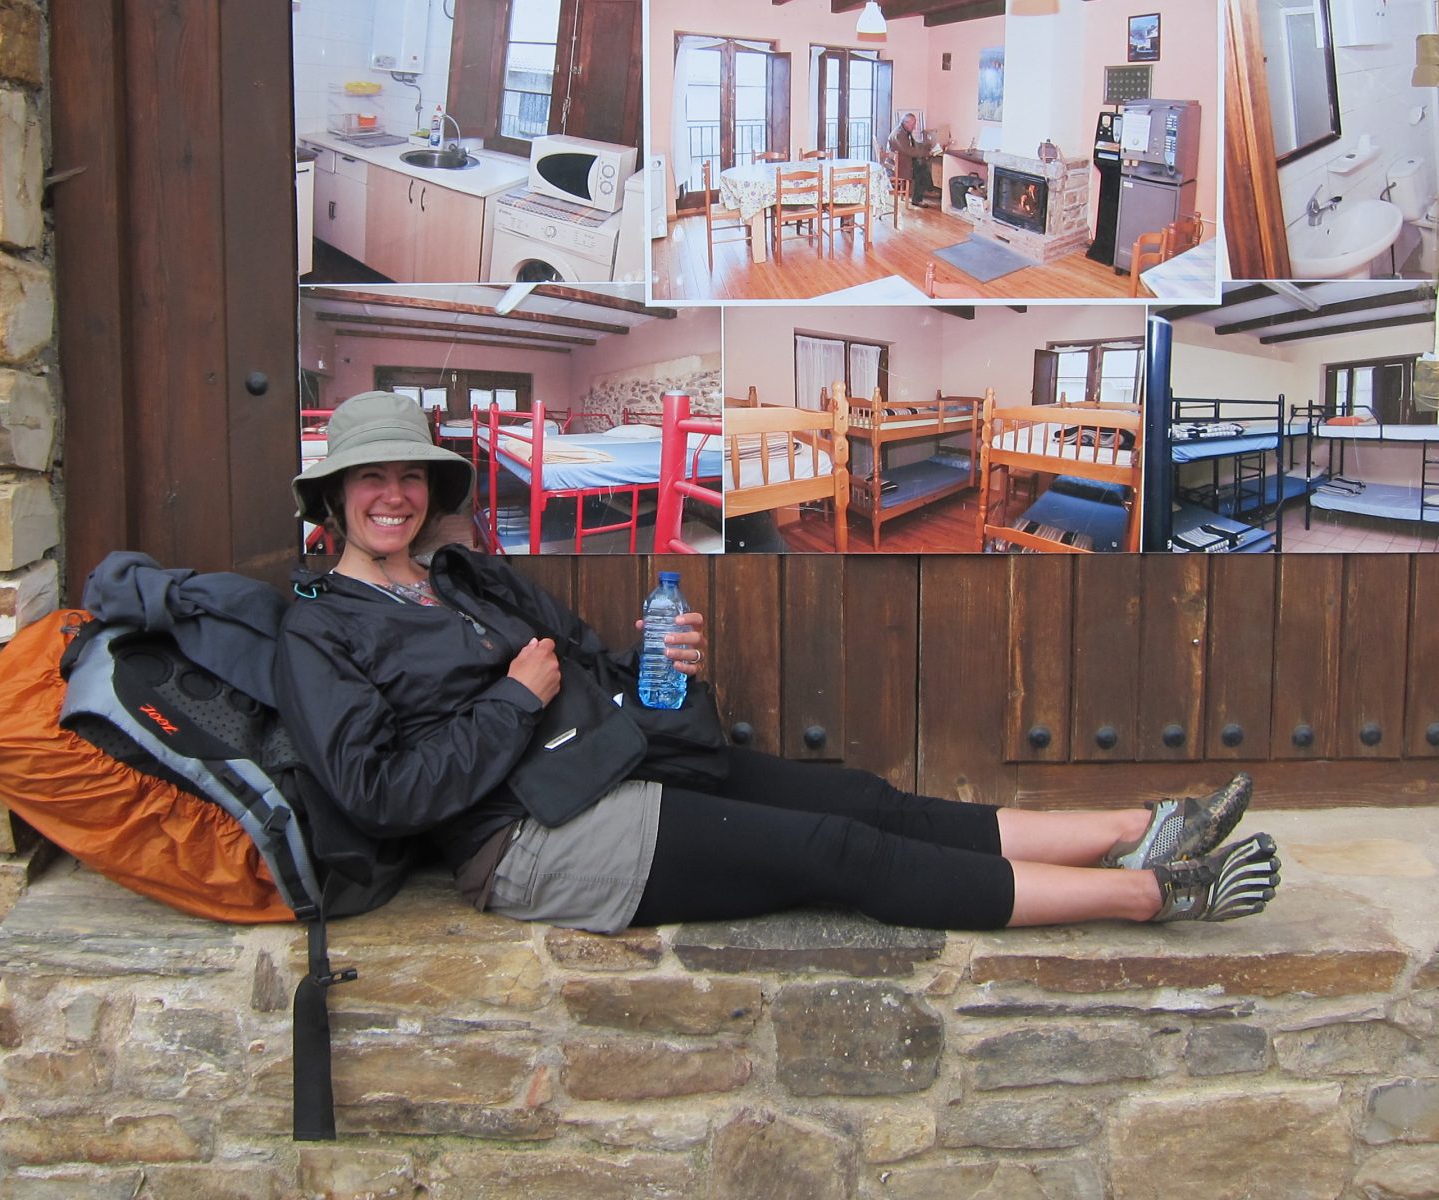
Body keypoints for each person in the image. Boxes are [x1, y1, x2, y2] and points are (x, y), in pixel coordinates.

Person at [277, 393, 1280, 935]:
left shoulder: (467, 578)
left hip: (610, 757)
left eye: (410, 476)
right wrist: (508, 702)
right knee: (840, 854)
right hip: (531, 838)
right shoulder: (317, 626)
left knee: (863, 798)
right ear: (333, 499)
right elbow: (380, 793)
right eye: (370, 479)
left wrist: (657, 659)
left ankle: (1133, 828)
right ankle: (1152, 895)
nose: (394, 496)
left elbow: (583, 658)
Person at [887, 111, 936, 208]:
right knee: (921, 169)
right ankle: (920, 197)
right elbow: (910, 151)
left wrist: (927, 147)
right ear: (906, 123)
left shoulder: (904, 131)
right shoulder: (899, 134)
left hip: (901, 161)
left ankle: (928, 189)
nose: (914, 127)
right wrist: (927, 153)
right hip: (898, 166)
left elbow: (914, 145)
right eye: (913, 124)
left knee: (922, 165)